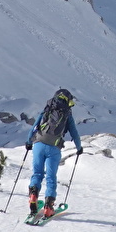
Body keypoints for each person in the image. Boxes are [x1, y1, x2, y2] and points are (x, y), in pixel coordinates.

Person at [26, 87, 83, 218]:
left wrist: (29, 141)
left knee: (37, 173)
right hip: (54, 148)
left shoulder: (48, 108)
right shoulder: (67, 114)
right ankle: (48, 208)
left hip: (39, 144)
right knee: (51, 178)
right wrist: (79, 148)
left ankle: (33, 196)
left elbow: (35, 126)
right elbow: (74, 133)